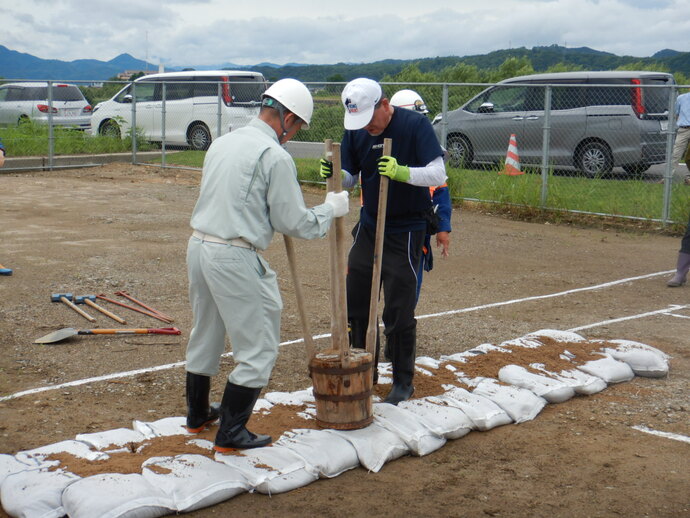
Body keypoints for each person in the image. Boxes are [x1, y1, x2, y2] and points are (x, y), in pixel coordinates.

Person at [185, 78, 349, 451]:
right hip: (233, 254)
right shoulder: (274, 156)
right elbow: (294, 222)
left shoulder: (223, 142)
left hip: (199, 245)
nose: (294, 134)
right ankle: (231, 433)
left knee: (206, 331)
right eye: (298, 127)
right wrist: (330, 209)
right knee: (258, 345)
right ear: (287, 117)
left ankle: (197, 415)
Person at [321, 78, 447, 405]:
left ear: (385, 104)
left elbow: (438, 174)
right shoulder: (357, 130)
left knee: (399, 307)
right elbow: (349, 178)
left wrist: (404, 173)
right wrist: (336, 173)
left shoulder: (415, 126)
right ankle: (365, 372)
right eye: (359, 123)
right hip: (370, 223)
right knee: (357, 300)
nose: (367, 128)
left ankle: (403, 382)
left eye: (370, 119)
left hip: (406, 228)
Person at [389, 89, 452, 304]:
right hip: (385, 230)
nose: (422, 124)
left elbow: (441, 192)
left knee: (409, 284)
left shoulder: (429, 152)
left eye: (423, 118)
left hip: (416, 233)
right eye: (418, 118)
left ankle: (402, 325)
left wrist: (443, 227)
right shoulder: (384, 150)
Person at [670, 90, 690, 185]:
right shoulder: (681, 98)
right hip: (683, 129)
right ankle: (668, 177)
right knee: (676, 153)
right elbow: (676, 114)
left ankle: (688, 178)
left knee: (688, 157)